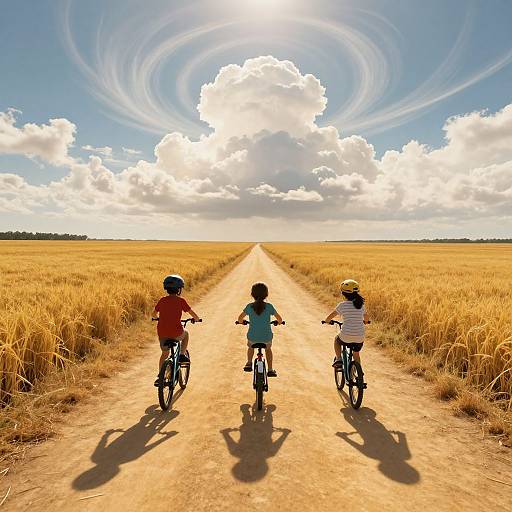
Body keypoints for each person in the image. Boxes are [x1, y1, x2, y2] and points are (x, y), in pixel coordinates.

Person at [152, 274, 200, 386]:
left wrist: (155, 317)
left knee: (164, 354)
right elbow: (192, 313)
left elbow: (153, 313)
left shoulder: (162, 300)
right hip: (177, 333)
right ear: (179, 289)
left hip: (162, 334)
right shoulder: (181, 301)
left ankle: (160, 376)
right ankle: (182, 354)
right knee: (186, 334)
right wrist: (196, 319)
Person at [237, 282, 283, 377]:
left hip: (253, 337)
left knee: (250, 347)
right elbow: (280, 319)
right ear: (266, 294)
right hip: (266, 337)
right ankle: (270, 370)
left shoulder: (249, 306)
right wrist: (277, 322)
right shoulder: (269, 306)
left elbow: (239, 319)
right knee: (268, 349)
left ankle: (249, 363)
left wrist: (242, 322)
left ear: (252, 294)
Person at [323, 279, 369, 368]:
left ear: (343, 293)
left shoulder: (342, 305)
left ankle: (339, 358)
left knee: (337, 340)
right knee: (356, 354)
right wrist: (365, 322)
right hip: (360, 337)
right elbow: (367, 318)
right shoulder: (361, 306)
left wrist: (327, 321)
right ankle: (358, 375)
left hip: (346, 336)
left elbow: (330, 317)